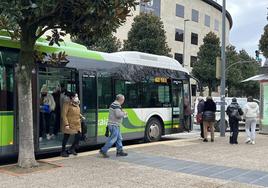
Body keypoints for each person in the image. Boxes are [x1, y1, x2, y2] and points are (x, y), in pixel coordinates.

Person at [61, 92, 82, 157]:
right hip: (69, 123)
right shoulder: (66, 104)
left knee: (78, 135)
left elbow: (77, 112)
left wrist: (81, 116)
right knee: (66, 136)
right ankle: (63, 151)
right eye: (76, 96)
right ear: (72, 97)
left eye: (77, 96)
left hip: (77, 123)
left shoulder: (77, 103)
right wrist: (66, 124)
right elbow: (63, 115)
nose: (77, 97)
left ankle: (71, 149)